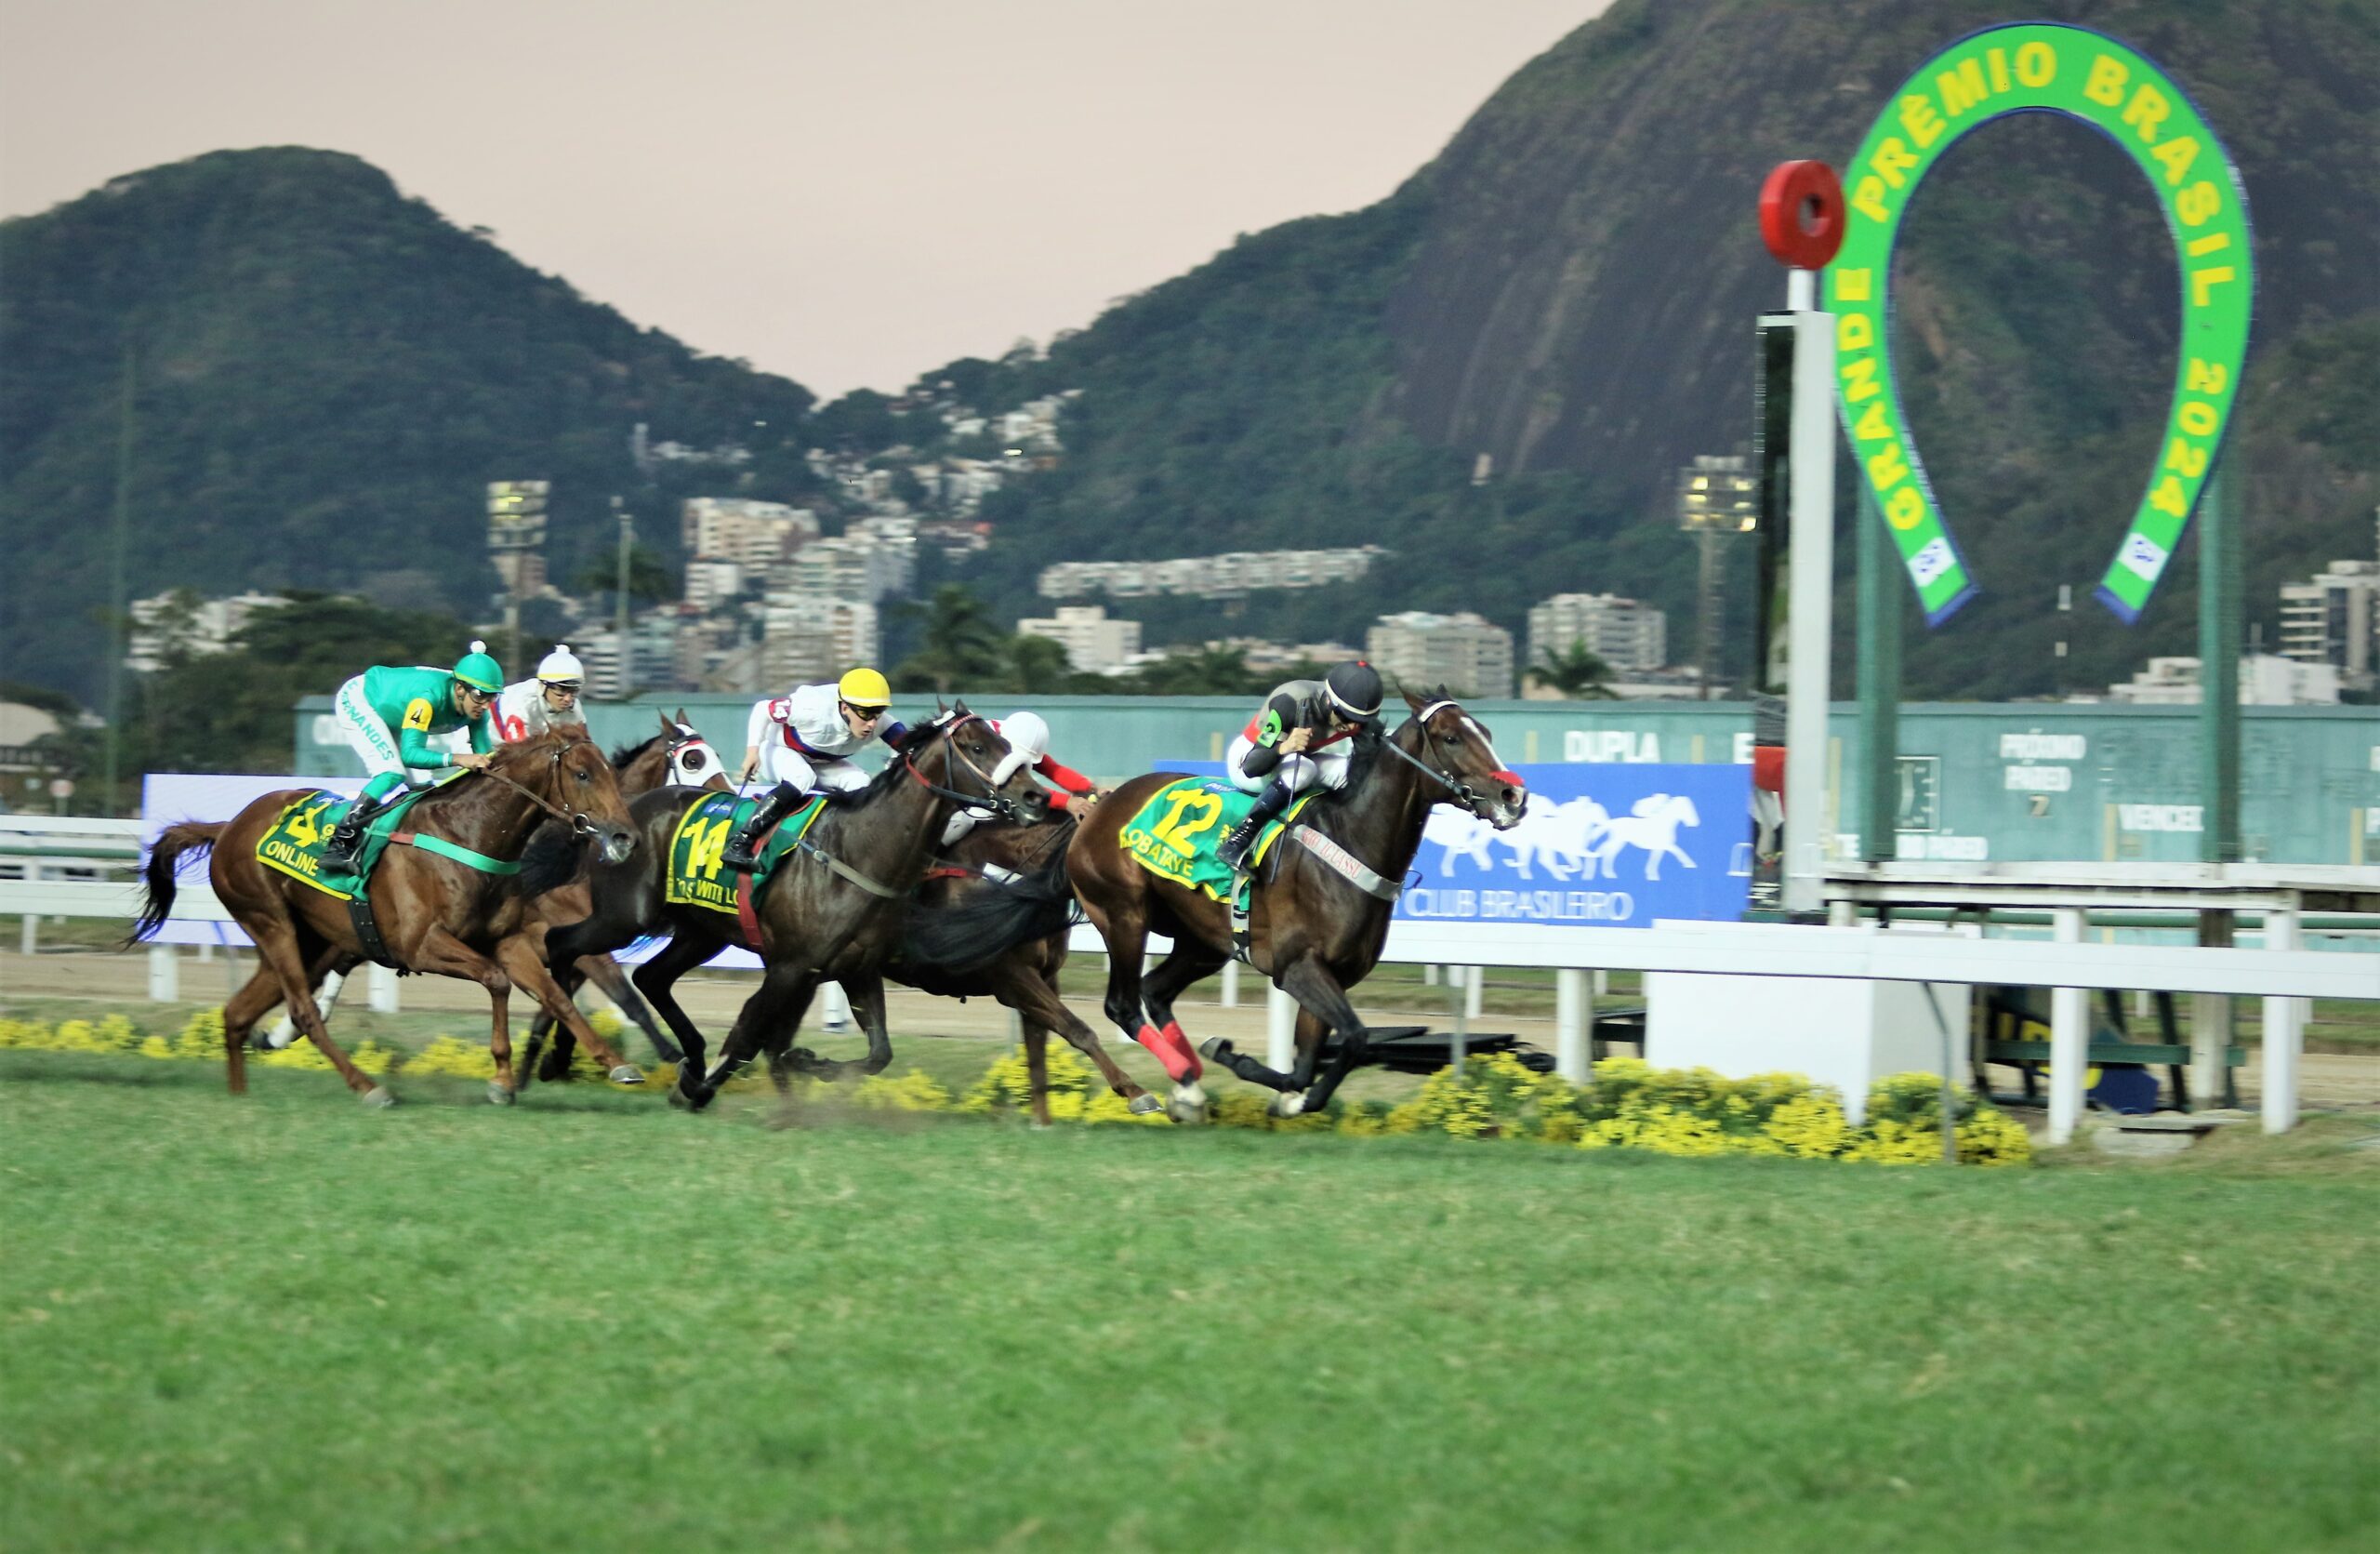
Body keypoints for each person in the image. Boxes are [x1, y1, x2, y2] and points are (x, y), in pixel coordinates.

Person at [320, 642, 502, 870]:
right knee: (391, 772)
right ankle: (339, 843)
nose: (485, 705)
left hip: (396, 711)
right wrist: (459, 759)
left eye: (492, 698)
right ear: (459, 689)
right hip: (362, 700)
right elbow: (410, 754)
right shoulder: (427, 699)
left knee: (424, 788)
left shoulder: (477, 710)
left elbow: (486, 758)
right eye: (479, 696)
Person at [722, 666, 906, 870]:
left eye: (878, 714)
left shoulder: (880, 723)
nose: (872, 724)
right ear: (845, 707)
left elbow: (910, 748)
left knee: (861, 783)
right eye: (865, 714)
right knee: (802, 776)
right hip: (778, 750)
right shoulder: (811, 708)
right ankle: (741, 842)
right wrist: (752, 752)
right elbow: (762, 709)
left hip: (823, 762)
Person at [1213, 659, 1384, 871]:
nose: (1352, 727)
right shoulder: (1290, 700)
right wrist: (1283, 748)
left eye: (1360, 720)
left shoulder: (1356, 718)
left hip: (1298, 759)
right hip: (1250, 759)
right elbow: (1251, 767)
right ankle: (1238, 840)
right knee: (1304, 770)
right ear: (1330, 702)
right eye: (1348, 718)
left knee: (1350, 772)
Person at [938, 710, 1101, 845]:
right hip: (948, 800)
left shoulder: (1017, 735)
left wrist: (1091, 789)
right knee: (970, 820)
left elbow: (1053, 769)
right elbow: (1018, 790)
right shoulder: (987, 742)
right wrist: (1066, 802)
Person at [493, 644, 587, 742]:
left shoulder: (575, 709)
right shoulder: (524, 703)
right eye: (561, 691)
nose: (568, 699)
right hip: (495, 732)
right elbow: (516, 750)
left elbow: (583, 747)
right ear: (543, 687)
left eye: (573, 691)